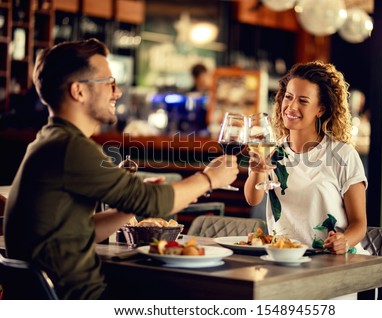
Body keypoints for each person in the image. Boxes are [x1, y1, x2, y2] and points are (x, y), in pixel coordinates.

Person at [3, 38, 238, 299]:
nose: (118, 92)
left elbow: (80, 233)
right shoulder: (71, 147)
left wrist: (128, 209)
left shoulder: (51, 140)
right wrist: (209, 178)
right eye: (108, 83)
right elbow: (153, 203)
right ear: (79, 91)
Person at [244, 61, 368, 257]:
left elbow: (359, 224)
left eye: (303, 101)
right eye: (289, 97)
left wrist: (344, 240)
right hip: (285, 258)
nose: (291, 106)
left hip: (335, 261)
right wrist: (257, 173)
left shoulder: (343, 155)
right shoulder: (271, 151)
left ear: (320, 109)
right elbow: (253, 199)